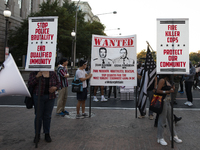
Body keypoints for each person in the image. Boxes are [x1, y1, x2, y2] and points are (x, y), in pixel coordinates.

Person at [28, 71, 60, 143]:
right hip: (38, 96)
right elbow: (30, 84)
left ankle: (47, 133)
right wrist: (37, 77)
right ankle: (37, 134)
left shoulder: (53, 73)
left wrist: (55, 88)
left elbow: (59, 83)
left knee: (47, 116)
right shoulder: (34, 72)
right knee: (38, 116)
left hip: (50, 97)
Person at [156, 74, 182, 146]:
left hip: (168, 101)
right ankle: (160, 137)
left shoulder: (169, 81)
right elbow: (158, 90)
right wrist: (167, 92)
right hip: (163, 102)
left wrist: (172, 89)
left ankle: (174, 135)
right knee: (162, 120)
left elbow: (171, 91)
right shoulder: (162, 80)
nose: (175, 74)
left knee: (171, 119)